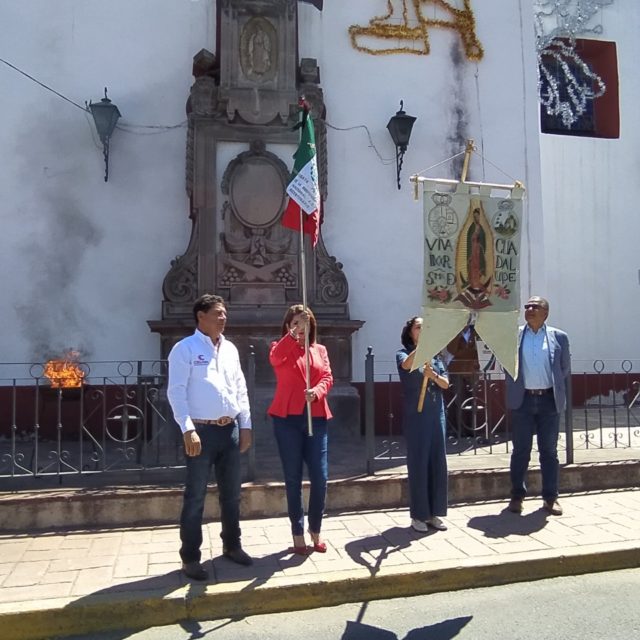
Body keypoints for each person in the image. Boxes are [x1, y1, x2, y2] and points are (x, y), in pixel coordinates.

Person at [167, 294, 253, 581]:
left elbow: (240, 387)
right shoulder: (185, 349)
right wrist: (187, 428)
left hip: (229, 429)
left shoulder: (230, 349)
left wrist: (245, 425)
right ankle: (190, 557)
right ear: (201, 316)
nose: (223, 318)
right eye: (217, 313)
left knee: (232, 494)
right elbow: (176, 391)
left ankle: (232, 545)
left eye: (224, 313)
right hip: (201, 431)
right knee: (195, 497)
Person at [268, 304, 333, 554]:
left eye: (305, 323)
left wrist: (316, 392)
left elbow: (327, 377)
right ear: (287, 326)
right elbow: (275, 358)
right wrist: (292, 336)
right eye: (295, 323)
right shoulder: (279, 347)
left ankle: (315, 528)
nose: (300, 328)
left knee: (320, 476)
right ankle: (297, 533)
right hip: (287, 419)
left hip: (315, 417)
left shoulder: (320, 350)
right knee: (293, 477)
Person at [506, 296, 571, 516]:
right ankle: (517, 496)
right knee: (520, 451)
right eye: (527, 306)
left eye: (535, 306)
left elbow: (564, 368)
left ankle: (550, 498)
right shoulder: (515, 336)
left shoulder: (559, 337)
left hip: (548, 401)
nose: (530, 309)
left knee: (549, 452)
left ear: (546, 312)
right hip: (522, 400)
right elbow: (506, 364)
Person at [396, 316, 450, 533]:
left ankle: (435, 513)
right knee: (419, 463)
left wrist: (433, 375)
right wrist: (422, 348)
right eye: (419, 327)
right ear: (410, 332)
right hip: (417, 417)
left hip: (436, 416)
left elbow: (446, 384)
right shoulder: (403, 353)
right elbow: (406, 365)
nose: (423, 330)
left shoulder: (437, 357)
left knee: (437, 462)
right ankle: (419, 515)